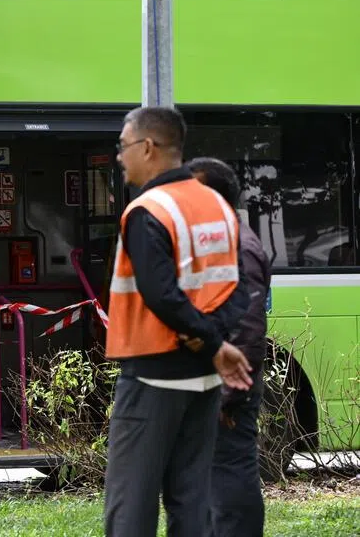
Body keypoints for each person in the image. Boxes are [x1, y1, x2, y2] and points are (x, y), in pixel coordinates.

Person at [103, 106, 253, 537]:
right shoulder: (218, 205)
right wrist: (214, 341)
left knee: (131, 503)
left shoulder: (147, 209)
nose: (120, 156)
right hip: (204, 379)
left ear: (148, 147)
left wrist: (208, 342)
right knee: (192, 501)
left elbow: (160, 294)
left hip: (152, 375)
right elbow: (239, 287)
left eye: (123, 146)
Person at [189, 157, 270, 537]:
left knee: (230, 472)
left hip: (228, 390)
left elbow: (246, 330)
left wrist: (227, 396)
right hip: (216, 384)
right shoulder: (222, 239)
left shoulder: (238, 245)